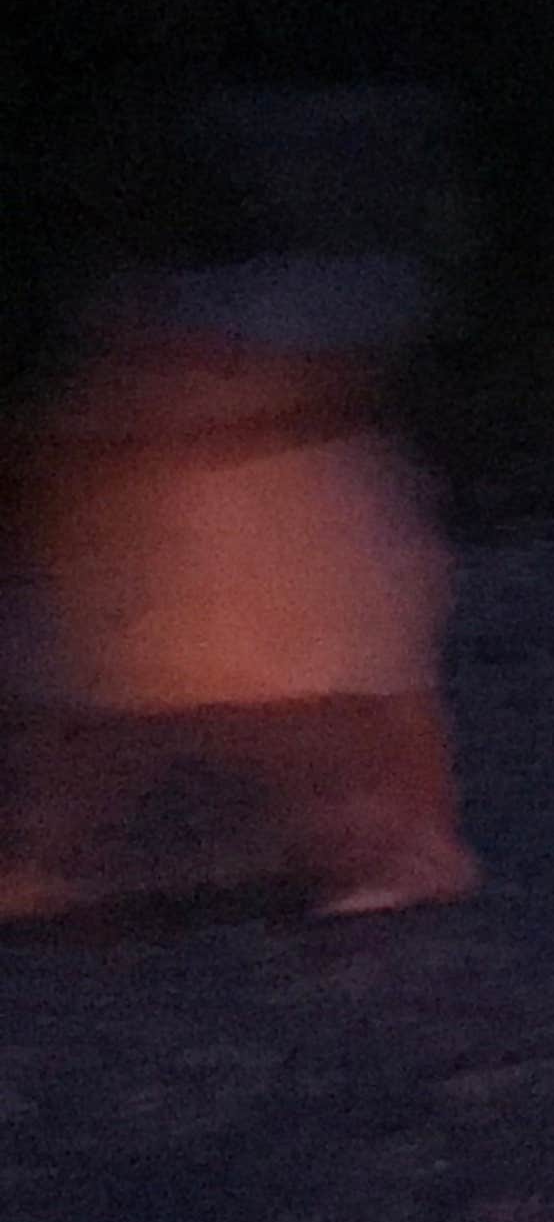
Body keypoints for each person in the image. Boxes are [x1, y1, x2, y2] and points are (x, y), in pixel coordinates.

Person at [1, 125, 479, 925]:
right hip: (203, 531)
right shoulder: (154, 302)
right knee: (102, 703)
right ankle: (33, 858)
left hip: (283, 526)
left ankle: (414, 849)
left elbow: (318, 376)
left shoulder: (301, 298)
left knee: (336, 701)